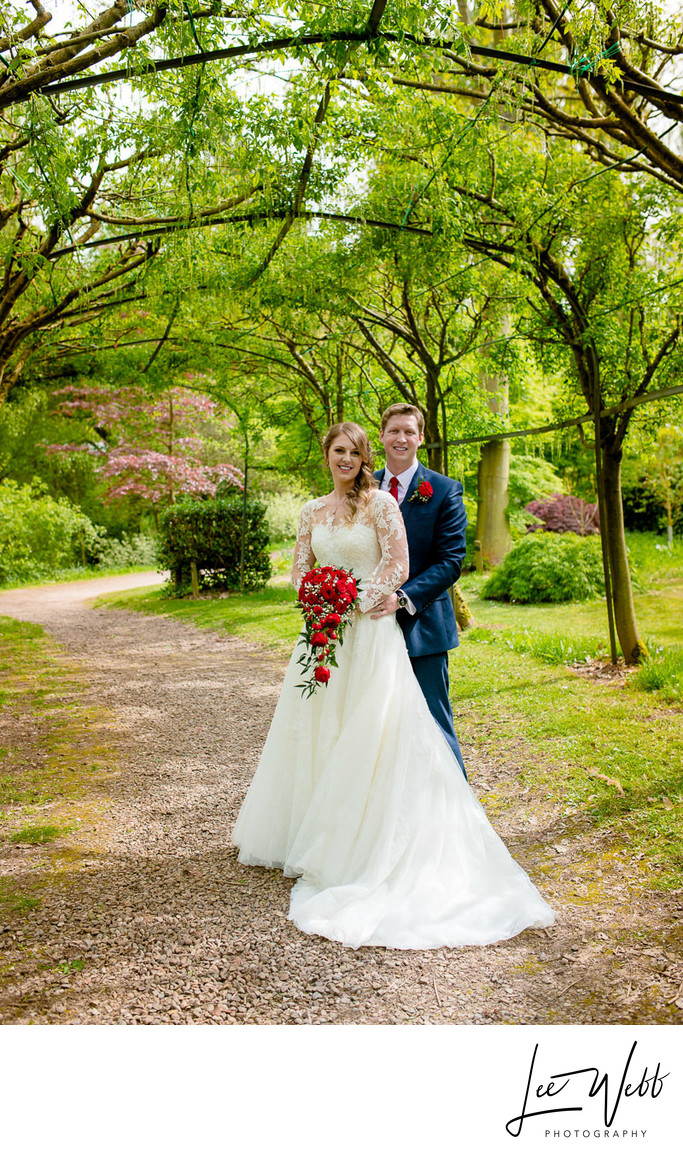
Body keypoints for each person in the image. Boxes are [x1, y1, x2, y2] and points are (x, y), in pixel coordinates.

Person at [231, 422, 554, 949]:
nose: (346, 459)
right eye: (338, 450)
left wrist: (357, 600)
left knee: (385, 729)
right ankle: (314, 834)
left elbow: (400, 564)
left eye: (353, 451)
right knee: (318, 725)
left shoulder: (383, 502)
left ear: (366, 455)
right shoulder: (312, 511)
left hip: (375, 631)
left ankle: (386, 835)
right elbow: (298, 570)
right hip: (323, 632)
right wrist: (317, 597)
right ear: (328, 455)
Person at [372, 403, 467, 775]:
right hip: (370, 626)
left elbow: (451, 560)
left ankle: (456, 815)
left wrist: (402, 598)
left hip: (423, 626)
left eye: (409, 431)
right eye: (394, 430)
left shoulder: (444, 490)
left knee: (433, 721)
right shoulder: (363, 488)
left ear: (421, 438)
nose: (401, 438)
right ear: (381, 435)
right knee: (374, 724)